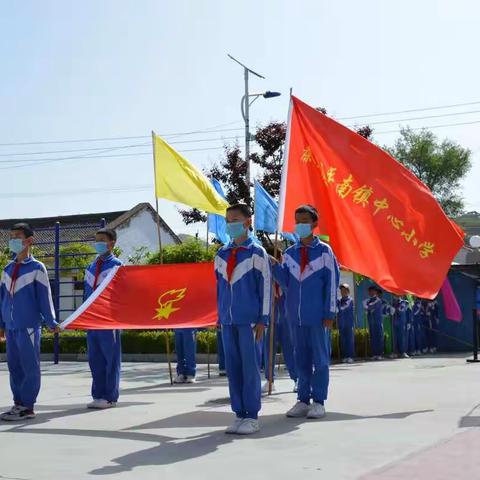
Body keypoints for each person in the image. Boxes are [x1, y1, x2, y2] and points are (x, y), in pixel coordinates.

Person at [272, 205, 339, 419]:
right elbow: (286, 284)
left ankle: (318, 401)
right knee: (300, 359)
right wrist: (275, 266)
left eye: (304, 220)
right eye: (297, 220)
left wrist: (329, 313)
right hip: (295, 317)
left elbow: (332, 284)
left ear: (314, 224)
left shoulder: (325, 252)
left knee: (319, 360)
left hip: (318, 317)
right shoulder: (290, 254)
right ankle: (302, 399)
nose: (300, 225)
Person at [214, 204, 271, 435]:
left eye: (235, 220)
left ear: (248, 222)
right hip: (227, 321)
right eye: (228, 220)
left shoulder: (257, 252)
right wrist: (218, 316)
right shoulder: (221, 254)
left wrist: (263, 319)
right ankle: (239, 413)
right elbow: (218, 289)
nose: (231, 224)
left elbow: (265, 287)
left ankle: (252, 415)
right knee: (233, 369)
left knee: (249, 368)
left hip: (249, 321)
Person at [0, 223, 59, 421]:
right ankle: (18, 403)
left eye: (17, 236)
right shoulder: (7, 269)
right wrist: (1, 325)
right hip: (11, 327)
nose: (13, 240)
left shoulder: (37, 268)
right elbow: (2, 299)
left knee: (29, 366)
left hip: (29, 326)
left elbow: (45, 297)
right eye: (11, 236)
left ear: (29, 240)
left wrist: (51, 321)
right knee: (14, 367)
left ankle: (27, 406)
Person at [83, 228, 123, 409]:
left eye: (102, 240)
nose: (98, 243)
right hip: (92, 320)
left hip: (109, 320)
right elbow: (86, 295)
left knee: (111, 359)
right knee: (95, 359)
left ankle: (110, 396)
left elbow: (122, 294)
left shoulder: (117, 265)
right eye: (96, 240)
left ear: (112, 243)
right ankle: (97, 395)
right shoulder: (91, 267)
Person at [262, 279, 297, 393]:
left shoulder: (285, 268)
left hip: (286, 316)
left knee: (290, 348)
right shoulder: (268, 272)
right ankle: (270, 380)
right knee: (269, 348)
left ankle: (297, 379)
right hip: (271, 316)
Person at [363, 286, 384, 360]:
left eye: (373, 291)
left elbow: (371, 306)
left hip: (377, 321)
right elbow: (365, 306)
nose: (371, 292)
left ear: (376, 292)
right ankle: (374, 353)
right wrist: (367, 307)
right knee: (372, 337)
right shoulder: (368, 300)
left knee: (379, 336)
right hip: (371, 321)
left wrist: (367, 307)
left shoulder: (378, 300)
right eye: (370, 291)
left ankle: (379, 354)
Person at [337, 283, 355, 363]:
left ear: (348, 291)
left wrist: (339, 308)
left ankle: (350, 356)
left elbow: (344, 307)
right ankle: (344, 356)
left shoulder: (350, 300)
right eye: (341, 290)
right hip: (341, 323)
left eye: (344, 290)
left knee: (349, 340)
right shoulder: (339, 301)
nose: (342, 292)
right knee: (343, 340)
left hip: (349, 323)